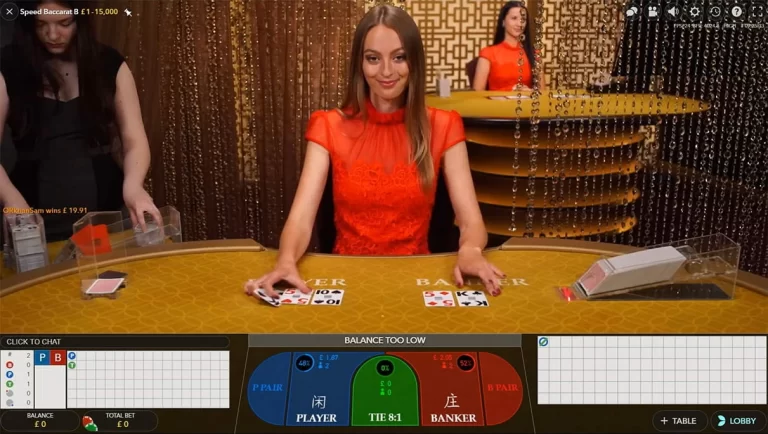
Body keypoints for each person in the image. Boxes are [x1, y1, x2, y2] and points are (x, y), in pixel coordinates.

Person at [246, 5, 504, 298]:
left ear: (414, 60)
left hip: (417, 279)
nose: (386, 71)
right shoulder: (327, 125)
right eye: (373, 58)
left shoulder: (444, 125)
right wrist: (286, 260)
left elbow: (471, 221)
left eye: (399, 57)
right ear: (360, 63)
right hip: (347, 279)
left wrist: (470, 250)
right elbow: (300, 220)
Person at [0, 0, 161, 242]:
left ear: (81, 20)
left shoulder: (108, 63)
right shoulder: (8, 65)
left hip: (108, 215)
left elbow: (134, 140)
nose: (52, 35)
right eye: (41, 24)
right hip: (33, 220)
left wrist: (134, 186)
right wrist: (12, 200)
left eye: (64, 23)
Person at [473, 1, 545, 91]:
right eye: (514, 18)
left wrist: (530, 92)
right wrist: (511, 90)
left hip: (526, 100)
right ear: (503, 21)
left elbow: (542, 93)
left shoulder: (535, 54)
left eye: (523, 19)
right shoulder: (488, 53)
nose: (519, 24)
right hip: (495, 100)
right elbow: (477, 93)